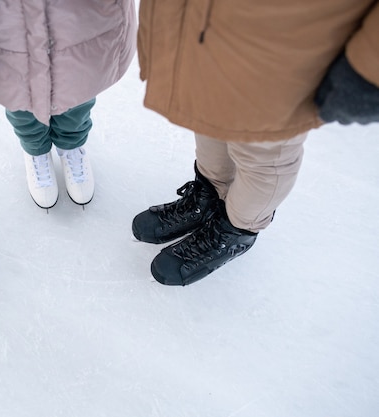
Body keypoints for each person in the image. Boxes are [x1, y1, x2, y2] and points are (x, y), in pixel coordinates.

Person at [132, 0, 379, 286]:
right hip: (204, 26)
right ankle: (210, 195)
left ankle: (238, 228)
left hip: (292, 47)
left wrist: (368, 71)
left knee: (264, 151)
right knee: (209, 113)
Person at [0, 0, 137, 209]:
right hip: (0, 16)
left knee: (77, 82)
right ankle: (35, 148)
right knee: (17, 89)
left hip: (78, 16)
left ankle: (72, 144)